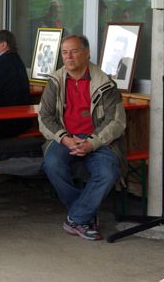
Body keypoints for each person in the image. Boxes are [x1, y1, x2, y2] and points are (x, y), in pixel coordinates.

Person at [39, 35, 126, 241]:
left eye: (74, 51)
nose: (68, 56)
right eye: (64, 52)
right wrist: (65, 139)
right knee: (52, 165)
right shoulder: (55, 82)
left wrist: (91, 143)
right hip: (65, 138)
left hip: (98, 140)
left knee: (108, 172)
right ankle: (85, 215)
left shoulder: (105, 83)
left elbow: (116, 121)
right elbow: (44, 117)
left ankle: (77, 217)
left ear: (87, 53)